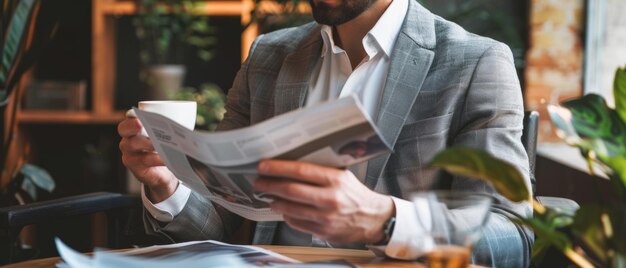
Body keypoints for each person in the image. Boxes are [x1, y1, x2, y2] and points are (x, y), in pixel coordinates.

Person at [118, 0, 533, 266]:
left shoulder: (475, 63)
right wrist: (166, 184)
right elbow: (214, 226)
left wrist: (384, 221)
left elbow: (511, 236)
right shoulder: (269, 57)